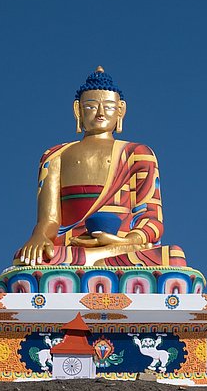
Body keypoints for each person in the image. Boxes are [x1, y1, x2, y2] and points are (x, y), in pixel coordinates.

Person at [15, 69, 190, 269]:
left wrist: (122, 241)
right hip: (72, 245)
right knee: (27, 258)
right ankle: (100, 262)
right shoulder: (55, 155)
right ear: (77, 110)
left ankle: (99, 260)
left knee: (173, 255)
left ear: (121, 110)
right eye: (90, 106)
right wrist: (39, 237)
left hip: (124, 245)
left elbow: (151, 217)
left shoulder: (138, 153)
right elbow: (50, 220)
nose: (100, 113)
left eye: (108, 106)